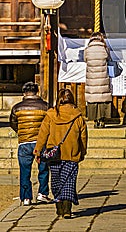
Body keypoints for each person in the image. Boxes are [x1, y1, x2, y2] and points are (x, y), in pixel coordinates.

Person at [34, 89, 87, 219]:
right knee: (69, 181)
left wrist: (38, 151)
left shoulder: (51, 115)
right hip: (72, 153)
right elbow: (83, 137)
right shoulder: (77, 116)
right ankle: (67, 209)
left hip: (54, 154)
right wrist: (82, 151)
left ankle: (59, 207)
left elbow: (43, 134)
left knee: (56, 181)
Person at [9, 81, 50, 206]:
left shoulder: (17, 107)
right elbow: (49, 124)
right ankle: (42, 194)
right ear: (37, 92)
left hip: (24, 143)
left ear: (24, 93)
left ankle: (26, 197)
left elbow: (13, 123)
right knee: (43, 169)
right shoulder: (45, 106)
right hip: (41, 142)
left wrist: (21, 132)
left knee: (25, 171)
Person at [84, 32, 112, 128]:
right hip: (102, 77)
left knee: (93, 99)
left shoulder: (87, 50)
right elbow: (109, 58)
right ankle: (102, 120)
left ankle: (95, 120)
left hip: (91, 78)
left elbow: (85, 60)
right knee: (103, 99)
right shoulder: (104, 49)